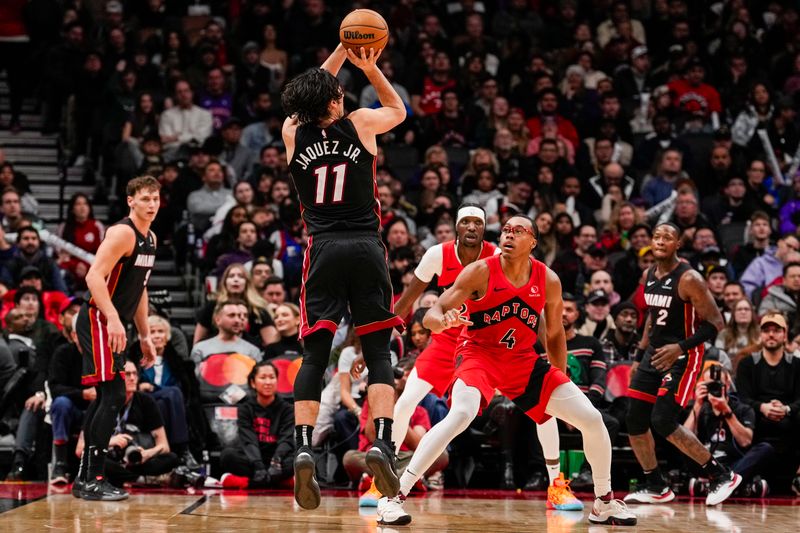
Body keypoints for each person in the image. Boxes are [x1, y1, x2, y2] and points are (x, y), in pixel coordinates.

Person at [377, 215, 636, 527]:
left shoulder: (548, 280)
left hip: (523, 361)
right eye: (506, 230)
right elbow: (434, 311)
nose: (509, 235)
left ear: (534, 242)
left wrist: (560, 376)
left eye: (518, 231)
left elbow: (554, 336)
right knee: (460, 414)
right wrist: (441, 321)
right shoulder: (480, 271)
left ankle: (604, 502)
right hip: (478, 355)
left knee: (592, 419)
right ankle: (393, 497)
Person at [281, 43, 407, 509]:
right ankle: (383, 444)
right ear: (335, 102)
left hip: (323, 250)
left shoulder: (293, 133)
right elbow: (398, 108)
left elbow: (303, 99)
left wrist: (337, 50)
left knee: (314, 355)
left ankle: (304, 447)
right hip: (367, 247)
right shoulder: (361, 123)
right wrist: (369, 67)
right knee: (376, 351)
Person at [624, 222, 735, 507]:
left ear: (677, 245)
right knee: (634, 420)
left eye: (667, 237)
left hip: (685, 354)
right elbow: (652, 318)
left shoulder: (689, 278)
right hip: (654, 354)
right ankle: (656, 485)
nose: (660, 241)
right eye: (656, 236)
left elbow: (715, 324)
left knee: (662, 420)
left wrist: (680, 348)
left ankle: (720, 475)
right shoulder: (648, 273)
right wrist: (639, 356)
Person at [71, 176, 160, 501]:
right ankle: (93, 477)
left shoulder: (150, 238)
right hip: (98, 316)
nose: (152, 205)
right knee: (113, 393)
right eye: (145, 199)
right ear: (130, 201)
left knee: (109, 394)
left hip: (115, 320)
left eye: (156, 199)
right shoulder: (123, 232)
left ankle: (86, 480)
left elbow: (140, 290)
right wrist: (111, 318)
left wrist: (146, 335)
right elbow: (94, 275)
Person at [76, 360, 179, 488]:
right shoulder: (99, 404)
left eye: (135, 374)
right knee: (93, 460)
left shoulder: (146, 401)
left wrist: (148, 454)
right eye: (128, 374)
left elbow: (164, 446)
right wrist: (110, 441)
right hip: (110, 458)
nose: (133, 378)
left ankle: (127, 478)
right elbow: (80, 449)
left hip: (137, 460)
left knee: (172, 458)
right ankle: (140, 479)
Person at [683, 364, 774, 497]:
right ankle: (734, 485)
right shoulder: (699, 408)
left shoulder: (743, 409)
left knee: (765, 449)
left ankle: (715, 484)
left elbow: (745, 442)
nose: (715, 389)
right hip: (707, 464)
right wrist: (697, 405)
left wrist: (726, 411)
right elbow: (684, 440)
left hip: (734, 464)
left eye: (718, 384)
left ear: (728, 384)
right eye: (710, 385)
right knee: (680, 441)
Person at [219, 361, 295, 488]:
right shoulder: (245, 408)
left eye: (272, 377)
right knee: (228, 456)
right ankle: (279, 483)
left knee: (302, 458)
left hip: (278, 458)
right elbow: (249, 441)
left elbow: (286, 440)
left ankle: (248, 483)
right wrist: (258, 465)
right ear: (253, 383)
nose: (268, 382)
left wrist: (276, 461)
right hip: (252, 458)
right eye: (263, 378)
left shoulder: (287, 409)